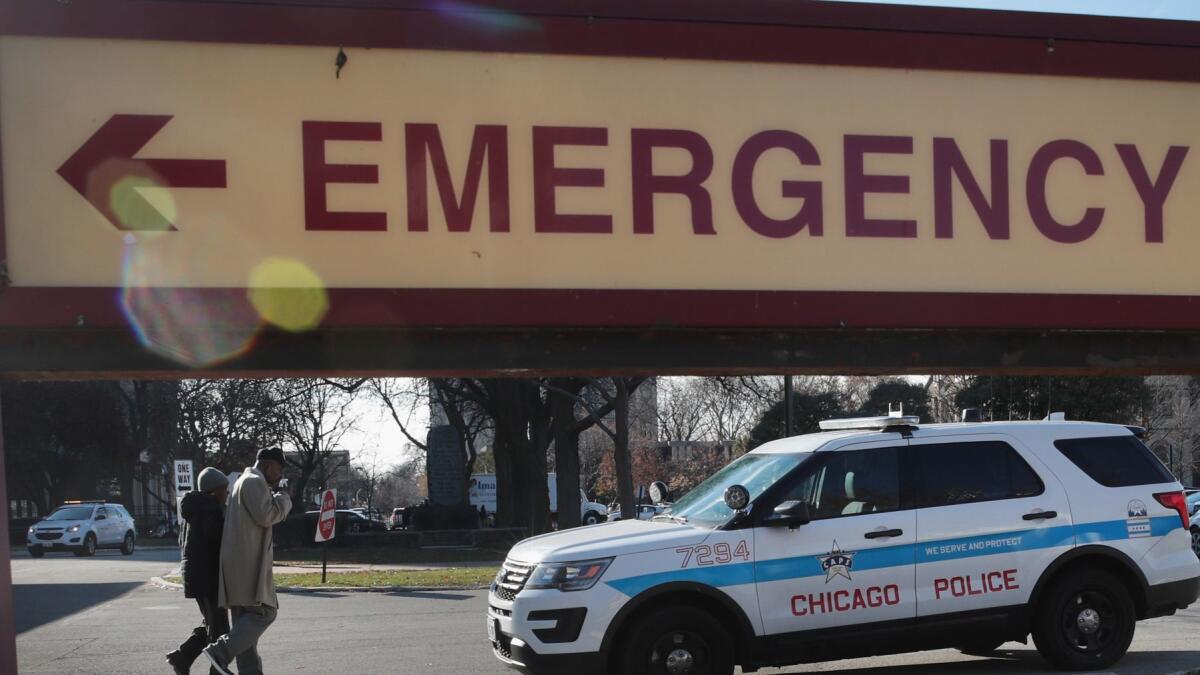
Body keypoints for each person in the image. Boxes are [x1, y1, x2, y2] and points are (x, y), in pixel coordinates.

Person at [203, 447, 292, 675]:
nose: (280, 475)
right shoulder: (253, 481)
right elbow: (266, 516)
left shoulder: (244, 481)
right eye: (279, 469)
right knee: (266, 612)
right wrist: (284, 499)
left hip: (239, 566)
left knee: (245, 632)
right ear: (267, 464)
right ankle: (219, 652)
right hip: (247, 568)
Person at [167, 467, 230, 675]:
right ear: (214, 490)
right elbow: (218, 541)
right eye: (224, 489)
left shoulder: (194, 509)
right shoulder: (210, 509)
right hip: (207, 576)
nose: (227, 493)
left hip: (195, 574)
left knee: (211, 622)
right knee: (219, 628)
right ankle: (217, 670)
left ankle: (182, 657)